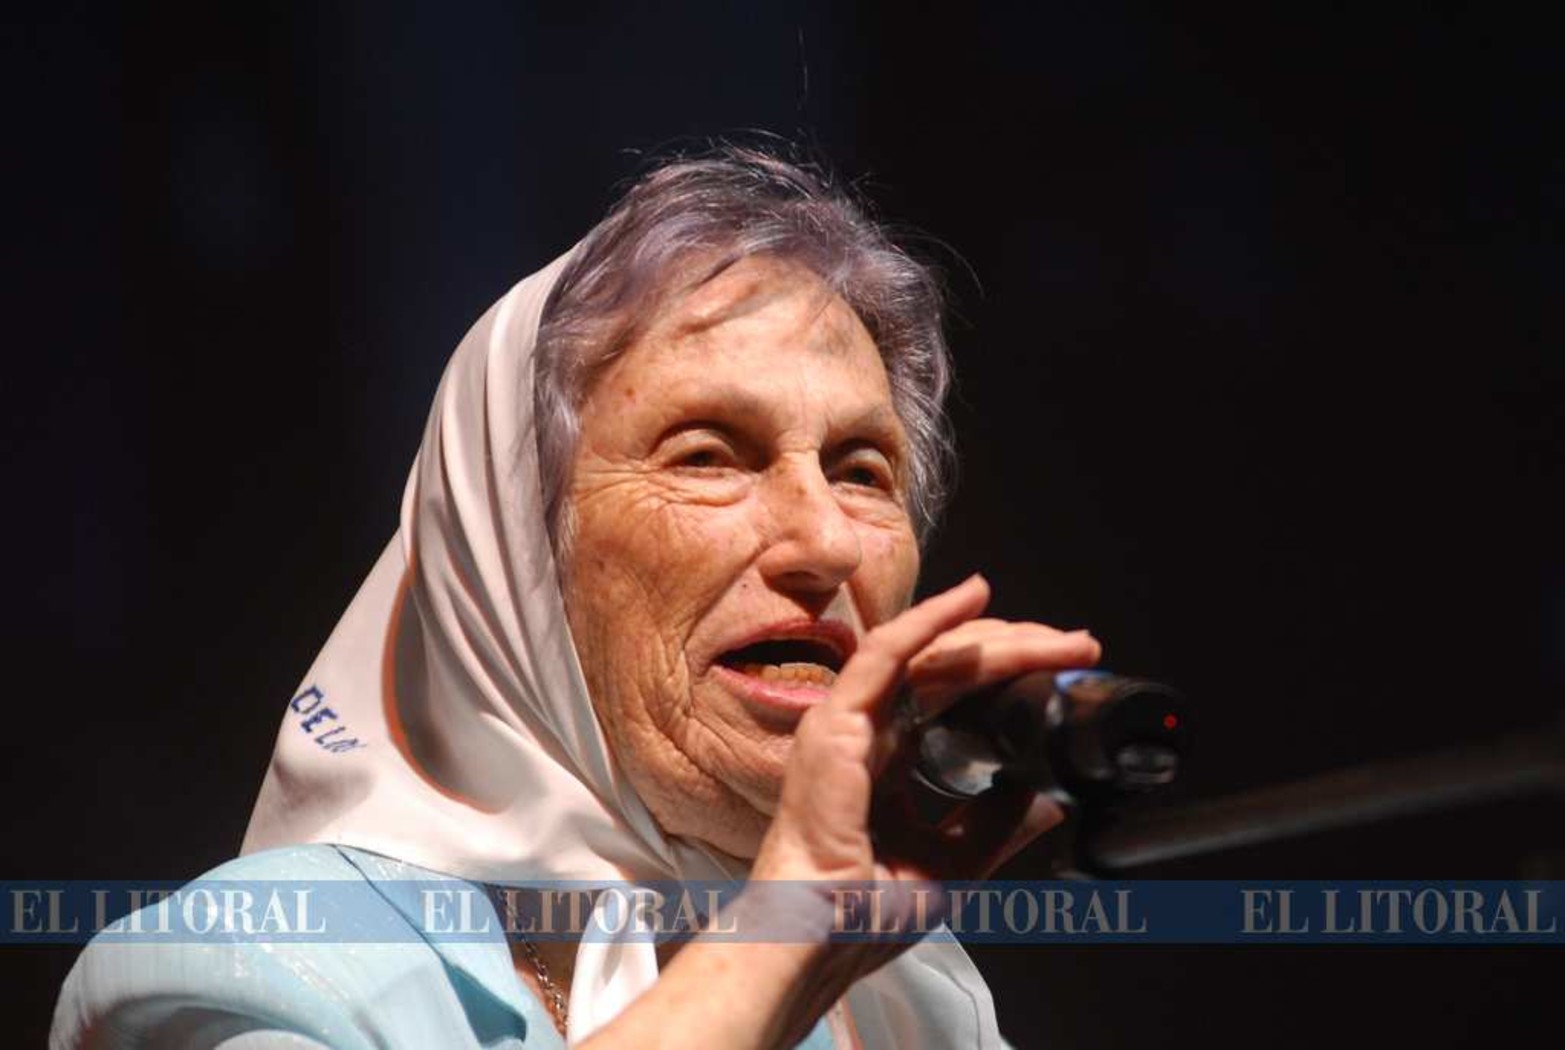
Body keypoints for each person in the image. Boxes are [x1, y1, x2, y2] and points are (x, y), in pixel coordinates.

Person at [51, 147, 1101, 1049]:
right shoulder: (244, 970)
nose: (824, 541)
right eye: (707, 456)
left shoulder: (904, 1001)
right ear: (513, 554)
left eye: (861, 471)